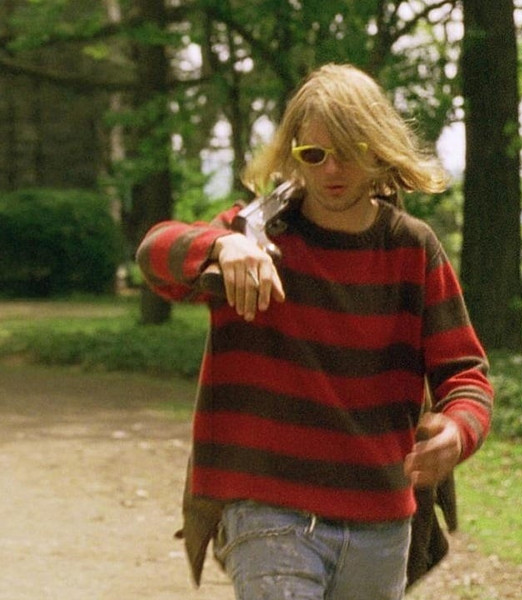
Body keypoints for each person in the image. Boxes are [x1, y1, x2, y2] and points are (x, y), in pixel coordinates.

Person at [136, 63, 494, 600]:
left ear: (378, 150)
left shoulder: (413, 248)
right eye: (313, 154)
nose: (332, 168)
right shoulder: (255, 234)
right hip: (267, 510)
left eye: (349, 151)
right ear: (293, 155)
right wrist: (221, 246)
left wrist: (457, 432)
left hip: (380, 519)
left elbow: (466, 374)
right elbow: (154, 253)